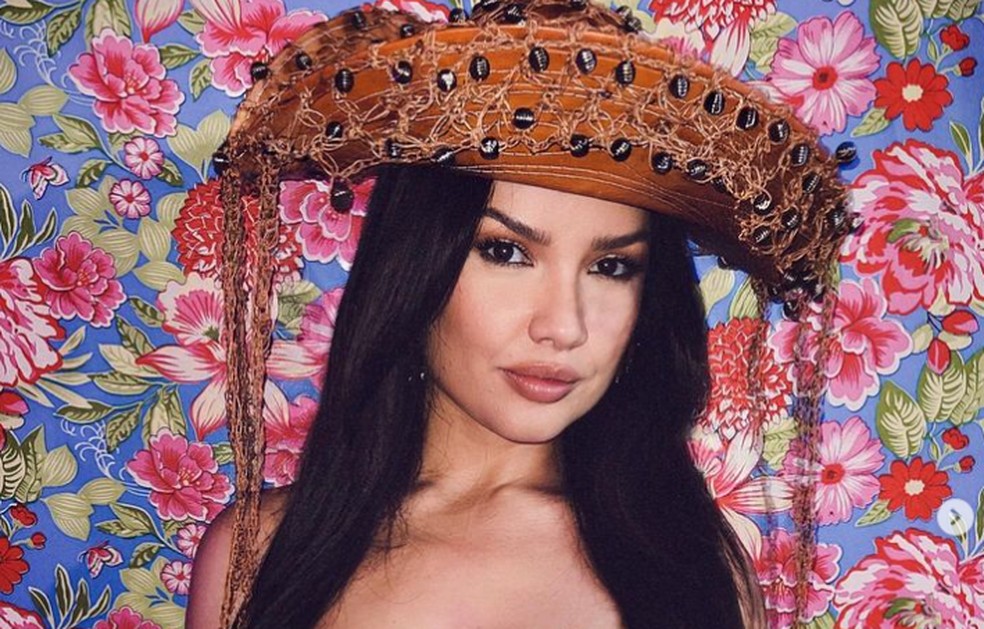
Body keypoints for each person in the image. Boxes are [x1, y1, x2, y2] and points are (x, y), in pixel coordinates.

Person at [185, 0, 856, 627]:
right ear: (416, 264)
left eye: (611, 267)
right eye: (506, 252)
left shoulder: (695, 570)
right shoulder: (261, 552)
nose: (563, 326)